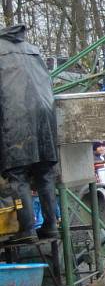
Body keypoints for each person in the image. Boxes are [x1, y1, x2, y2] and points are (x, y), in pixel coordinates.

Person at [0, 24, 60, 241]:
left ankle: (27, 229)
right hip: (45, 121)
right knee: (44, 173)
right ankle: (51, 225)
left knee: (18, 175)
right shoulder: (32, 50)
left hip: (15, 122)